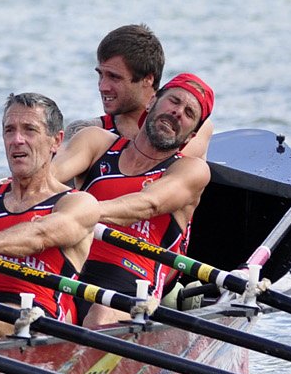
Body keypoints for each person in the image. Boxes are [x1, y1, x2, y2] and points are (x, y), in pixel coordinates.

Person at [53, 73, 215, 328]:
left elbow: (147, 203)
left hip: (131, 283)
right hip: (67, 269)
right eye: (174, 101)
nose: (177, 112)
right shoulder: (95, 142)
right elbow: (45, 182)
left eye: (189, 113)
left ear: (191, 137)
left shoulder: (191, 170)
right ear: (151, 102)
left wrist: (78, 212)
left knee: (102, 313)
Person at [0, 93, 100, 341]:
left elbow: (40, 234)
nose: (17, 140)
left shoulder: (78, 203)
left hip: (40, 324)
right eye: (9, 130)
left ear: (56, 141)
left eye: (29, 130)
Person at [74, 24, 214, 159]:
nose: (102, 87)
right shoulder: (84, 131)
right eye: (100, 75)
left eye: (114, 77)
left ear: (147, 79)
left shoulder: (193, 128)